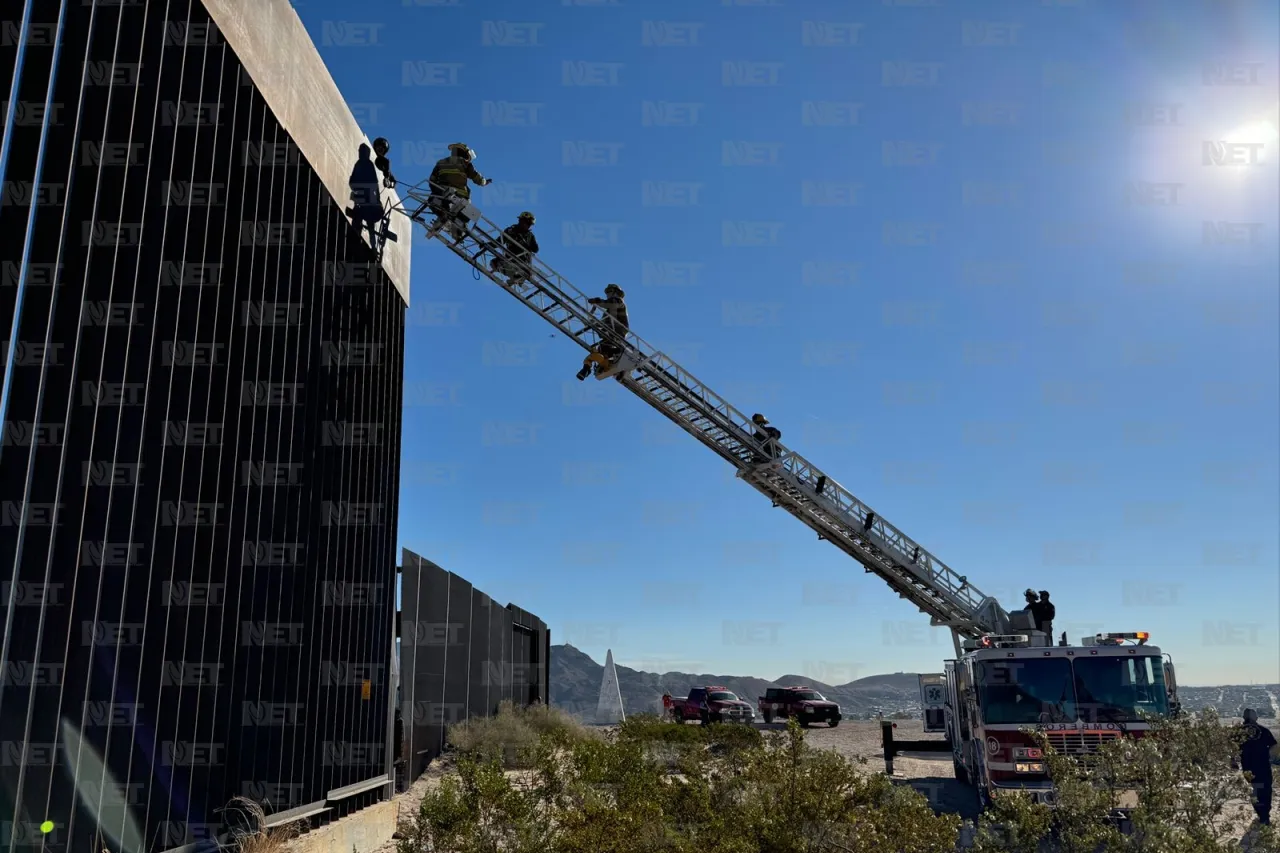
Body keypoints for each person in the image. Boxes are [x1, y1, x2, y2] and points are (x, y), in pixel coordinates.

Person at [428, 142, 492, 239]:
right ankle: (458, 230)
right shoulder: (465, 163)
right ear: (463, 153)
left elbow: (432, 181)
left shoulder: (441, 162)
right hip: (461, 197)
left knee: (433, 201)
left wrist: (437, 191)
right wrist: (485, 182)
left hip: (442, 194)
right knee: (467, 214)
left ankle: (443, 215)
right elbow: (477, 178)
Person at [576, 284, 629, 381]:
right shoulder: (608, 313)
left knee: (609, 350)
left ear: (616, 292)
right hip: (608, 336)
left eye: (609, 291)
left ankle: (620, 367)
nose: (608, 294)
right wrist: (592, 323)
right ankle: (587, 369)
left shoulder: (618, 301)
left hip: (617, 332)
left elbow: (609, 303)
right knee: (593, 355)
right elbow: (603, 323)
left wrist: (597, 301)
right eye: (607, 292)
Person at [1238, 709, 1277, 826]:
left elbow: (1232, 747)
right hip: (1263, 766)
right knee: (1265, 790)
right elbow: (1274, 745)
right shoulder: (1264, 731)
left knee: (1256, 790)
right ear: (1256, 718)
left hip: (1248, 768)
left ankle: (1261, 814)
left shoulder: (1239, 732)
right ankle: (1265, 816)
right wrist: (1270, 756)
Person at [347, 143, 384, 248]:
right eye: (360, 151)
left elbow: (374, 184)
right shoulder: (360, 164)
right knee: (361, 218)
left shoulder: (367, 164)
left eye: (361, 151)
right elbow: (353, 181)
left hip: (366, 197)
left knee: (369, 221)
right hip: (362, 197)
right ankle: (355, 239)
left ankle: (372, 246)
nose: (360, 153)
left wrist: (377, 198)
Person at [489, 211, 539, 288]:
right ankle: (515, 277)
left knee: (527, 273)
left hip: (522, 262)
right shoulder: (510, 230)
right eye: (527, 223)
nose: (528, 226)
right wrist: (489, 244)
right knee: (493, 263)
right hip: (509, 259)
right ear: (521, 220)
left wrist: (527, 246)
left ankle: (516, 278)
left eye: (530, 224)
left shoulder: (530, 236)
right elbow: (499, 241)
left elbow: (536, 249)